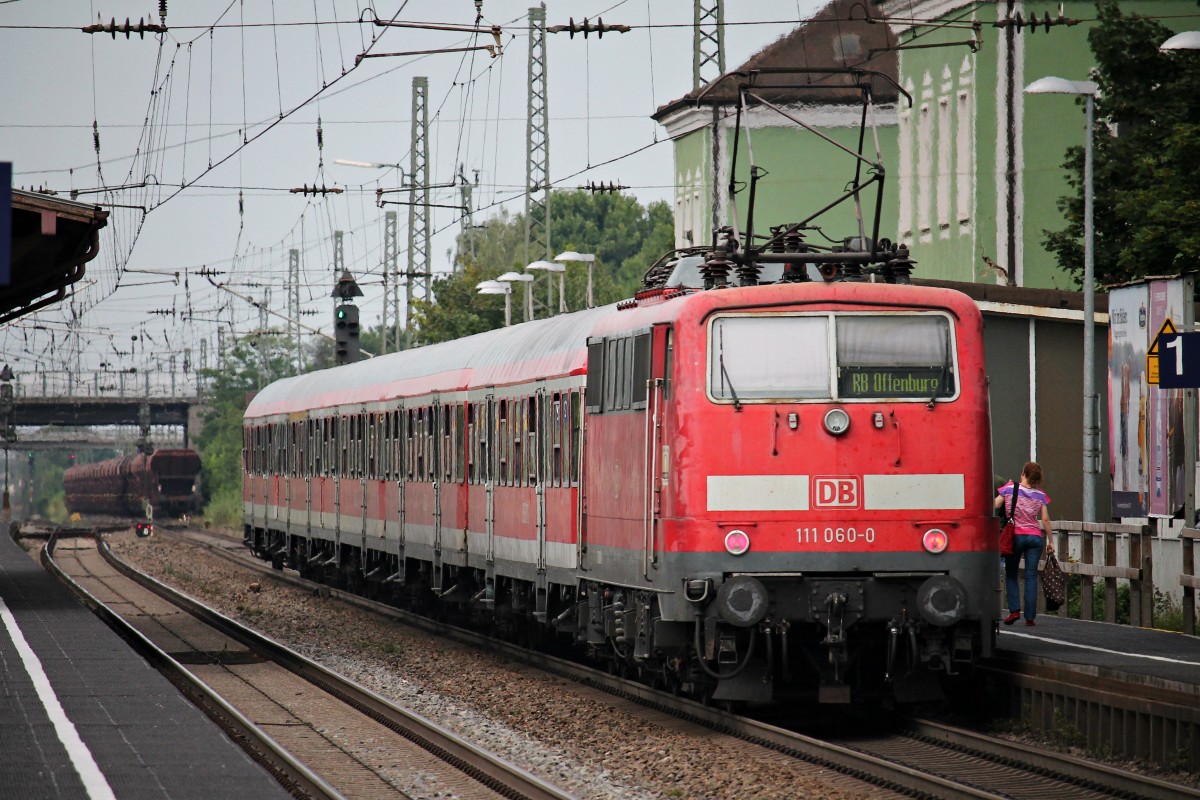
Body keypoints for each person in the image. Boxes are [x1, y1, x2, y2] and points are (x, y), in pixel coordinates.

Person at [995, 461, 1053, 626]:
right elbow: (1045, 519)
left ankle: (1014, 611)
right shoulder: (1040, 495)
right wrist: (1051, 541)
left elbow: (995, 504)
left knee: (1012, 574)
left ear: (1023, 474)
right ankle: (1030, 617)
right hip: (1035, 538)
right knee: (1031, 576)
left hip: (1016, 537)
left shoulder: (1009, 489)